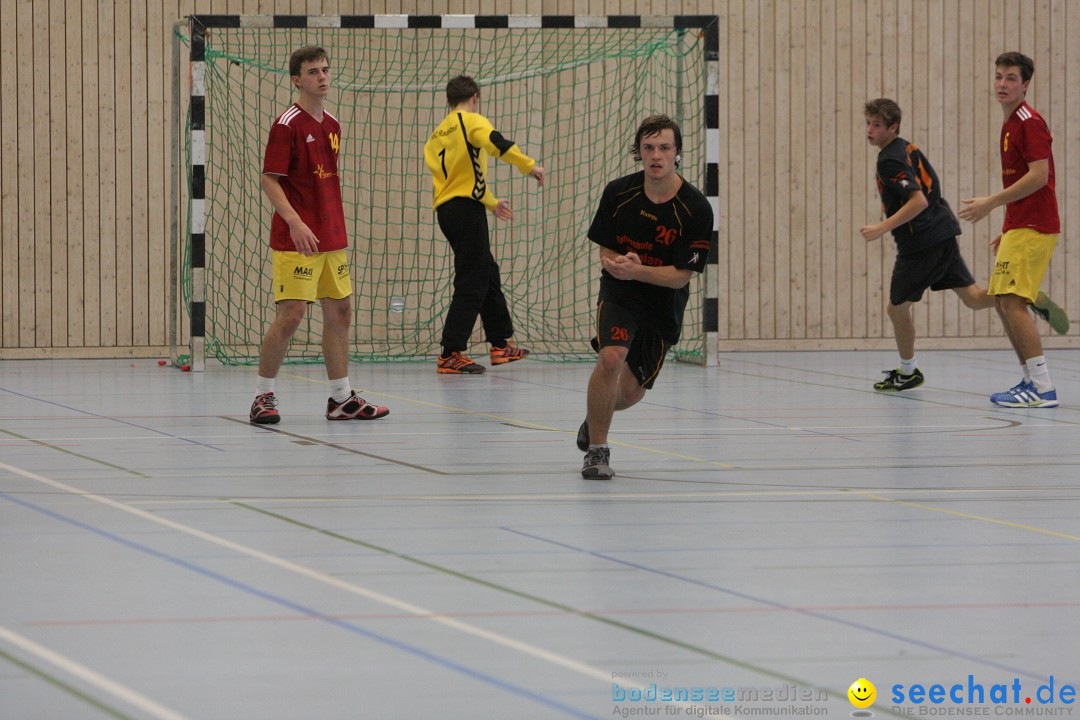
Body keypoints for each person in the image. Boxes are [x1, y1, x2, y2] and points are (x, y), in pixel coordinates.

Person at [248, 46, 390, 424]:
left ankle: (341, 398)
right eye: (313, 72)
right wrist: (295, 221)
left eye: (326, 70)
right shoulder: (286, 124)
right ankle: (263, 395)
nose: (322, 77)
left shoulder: (333, 125)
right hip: (297, 239)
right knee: (292, 315)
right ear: (297, 80)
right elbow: (269, 178)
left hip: (331, 237)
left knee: (340, 312)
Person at [576, 115, 713, 479]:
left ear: (677, 153)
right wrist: (621, 265)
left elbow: (682, 275)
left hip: (663, 304)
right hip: (620, 291)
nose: (656, 155)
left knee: (631, 393)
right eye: (648, 148)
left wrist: (642, 271)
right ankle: (597, 451)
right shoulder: (618, 193)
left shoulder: (696, 208)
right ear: (638, 153)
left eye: (664, 148)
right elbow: (606, 249)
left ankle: (595, 418)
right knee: (610, 358)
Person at [860, 98, 997, 392]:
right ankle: (1018, 295)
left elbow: (918, 200)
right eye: (868, 123)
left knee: (896, 309)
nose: (870, 130)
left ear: (893, 127)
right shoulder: (906, 147)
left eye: (877, 125)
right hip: (943, 230)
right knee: (973, 298)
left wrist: (881, 228)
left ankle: (908, 372)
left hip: (922, 242)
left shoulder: (889, 159)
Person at [958, 51, 1069, 408]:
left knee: (1011, 302)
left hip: (1036, 225)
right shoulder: (1010, 123)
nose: (1002, 84)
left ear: (1025, 85)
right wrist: (1007, 226)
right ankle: (1028, 380)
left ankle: (1042, 387)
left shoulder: (1029, 122)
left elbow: (1039, 177)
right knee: (1003, 303)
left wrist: (991, 202)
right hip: (1020, 225)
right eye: (998, 76)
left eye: (1010, 78)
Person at [423, 75, 545, 375]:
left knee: (486, 271)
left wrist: (491, 202)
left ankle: (500, 344)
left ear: (449, 99)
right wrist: (530, 167)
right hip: (465, 211)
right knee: (473, 278)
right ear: (474, 97)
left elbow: (459, 178)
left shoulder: (438, 134)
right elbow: (496, 144)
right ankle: (450, 351)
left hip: (449, 210)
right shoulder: (471, 120)